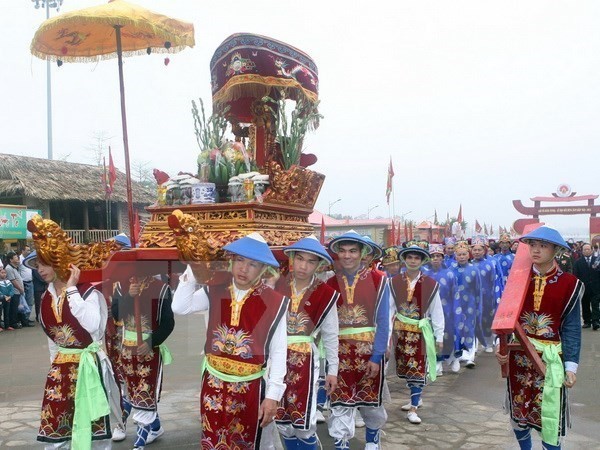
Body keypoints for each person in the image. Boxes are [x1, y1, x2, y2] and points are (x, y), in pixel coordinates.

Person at [171, 232, 289, 450]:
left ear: (263, 269)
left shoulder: (274, 302)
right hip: (214, 383)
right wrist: (193, 266)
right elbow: (180, 307)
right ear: (232, 261)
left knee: (245, 443)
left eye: (253, 264)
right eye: (240, 260)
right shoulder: (215, 289)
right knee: (213, 441)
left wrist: (273, 395)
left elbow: (280, 351)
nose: (244, 269)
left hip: (250, 386)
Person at [495, 226, 583, 450]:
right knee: (519, 411)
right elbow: (506, 316)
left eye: (543, 246)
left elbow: (572, 328)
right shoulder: (517, 281)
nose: (536, 250)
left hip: (551, 360)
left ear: (555, 250)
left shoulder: (570, 284)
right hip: (519, 356)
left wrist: (571, 366)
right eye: (532, 245)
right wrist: (501, 347)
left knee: (548, 416)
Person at [23, 246, 117, 449]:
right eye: (37, 264)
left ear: (60, 263)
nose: (40, 269)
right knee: (56, 421)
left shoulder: (87, 292)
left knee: (95, 422)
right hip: (60, 369)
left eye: (45, 263)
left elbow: (93, 326)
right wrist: (54, 364)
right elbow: (52, 338)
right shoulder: (45, 298)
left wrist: (72, 289)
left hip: (88, 365)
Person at [326, 231, 390, 450]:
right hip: (340, 353)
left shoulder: (378, 280)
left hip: (368, 351)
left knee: (370, 401)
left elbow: (383, 321)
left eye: (353, 251)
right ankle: (341, 443)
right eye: (342, 251)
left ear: (363, 253)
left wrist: (377, 355)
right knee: (340, 401)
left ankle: (372, 439)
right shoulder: (331, 282)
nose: (347, 256)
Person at [274, 236, 340, 450]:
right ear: (292, 258)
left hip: (305, 361)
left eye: (311, 261)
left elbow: (331, 334)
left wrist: (333, 369)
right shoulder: (276, 285)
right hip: (275, 357)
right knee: (280, 417)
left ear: (319, 265)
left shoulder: (326, 294)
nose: (303, 266)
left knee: (303, 418)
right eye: (300, 258)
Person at [111, 272, 174, 449]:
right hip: (126, 351)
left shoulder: (161, 289)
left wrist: (151, 342)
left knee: (145, 393)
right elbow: (116, 315)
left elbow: (168, 323)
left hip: (148, 352)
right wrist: (129, 297)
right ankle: (155, 427)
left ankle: (140, 441)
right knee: (131, 392)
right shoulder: (121, 286)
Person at [391, 245, 444, 425]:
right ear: (404, 259)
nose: (413, 260)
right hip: (399, 332)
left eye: (417, 258)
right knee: (405, 368)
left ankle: (414, 407)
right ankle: (416, 397)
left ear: (422, 261)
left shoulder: (431, 284)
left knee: (417, 369)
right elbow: (389, 307)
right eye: (410, 257)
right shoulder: (394, 281)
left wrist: (440, 335)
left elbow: (437, 311)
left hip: (419, 332)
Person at [422, 243, 460, 374]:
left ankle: (453, 358)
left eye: (438, 256)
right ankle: (437, 363)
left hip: (447, 310)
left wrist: (456, 311)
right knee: (432, 336)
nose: (435, 259)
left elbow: (455, 294)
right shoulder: (424, 273)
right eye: (432, 256)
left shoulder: (449, 274)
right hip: (429, 311)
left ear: (442, 257)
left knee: (448, 335)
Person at [448, 241, 482, 369]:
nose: (461, 256)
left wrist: (479, 305)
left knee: (469, 328)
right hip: (455, 305)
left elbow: (478, 289)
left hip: (470, 304)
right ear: (455, 256)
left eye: (464, 254)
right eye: (459, 254)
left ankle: (469, 356)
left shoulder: (474, 270)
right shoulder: (451, 270)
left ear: (468, 255)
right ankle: (457, 354)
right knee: (456, 329)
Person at [470, 236, 504, 352]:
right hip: (475, 297)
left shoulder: (493, 262)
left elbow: (498, 279)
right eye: (474, 250)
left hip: (490, 296)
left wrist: (499, 295)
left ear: (485, 250)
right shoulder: (469, 264)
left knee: (489, 319)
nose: (477, 252)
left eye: (479, 249)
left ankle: (490, 342)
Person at [573, 243, 600, 330]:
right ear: (582, 251)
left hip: (596, 287)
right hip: (584, 287)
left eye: (588, 249)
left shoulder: (597, 261)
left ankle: (596, 321)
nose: (587, 251)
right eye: (585, 249)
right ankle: (587, 321)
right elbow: (575, 275)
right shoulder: (578, 262)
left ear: (591, 250)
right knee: (585, 304)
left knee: (595, 304)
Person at [4, 251, 25, 329]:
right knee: (13, 308)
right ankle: (13, 323)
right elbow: (13, 281)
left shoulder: (15, 267)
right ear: (11, 260)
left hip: (18, 291)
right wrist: (20, 289)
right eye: (15, 257)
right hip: (14, 292)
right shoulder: (9, 268)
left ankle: (16, 321)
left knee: (17, 307)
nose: (17, 258)